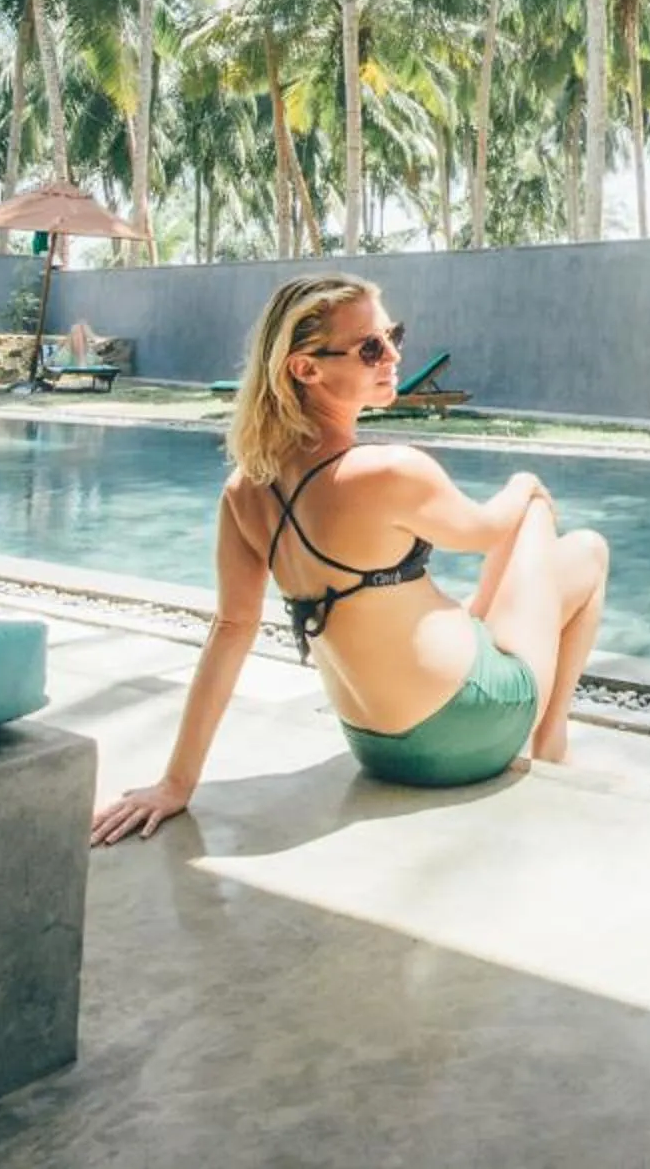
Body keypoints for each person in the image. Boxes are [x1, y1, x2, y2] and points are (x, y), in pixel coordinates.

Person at [90, 274, 608, 843]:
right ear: (305, 369)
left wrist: (176, 784)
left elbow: (231, 631)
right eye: (370, 347)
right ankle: (550, 744)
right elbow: (488, 531)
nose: (393, 356)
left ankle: (506, 681)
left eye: (393, 335)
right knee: (572, 540)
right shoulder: (390, 470)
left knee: (478, 597)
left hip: (378, 749)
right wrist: (524, 480)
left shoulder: (245, 490)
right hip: (473, 730)